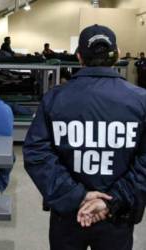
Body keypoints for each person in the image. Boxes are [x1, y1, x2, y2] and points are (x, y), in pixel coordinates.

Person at [23, 24, 146, 250]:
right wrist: (111, 202)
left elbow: (36, 153)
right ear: (117, 55)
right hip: (118, 215)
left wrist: (77, 196)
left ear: (79, 57)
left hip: (69, 213)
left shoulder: (54, 99)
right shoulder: (141, 101)